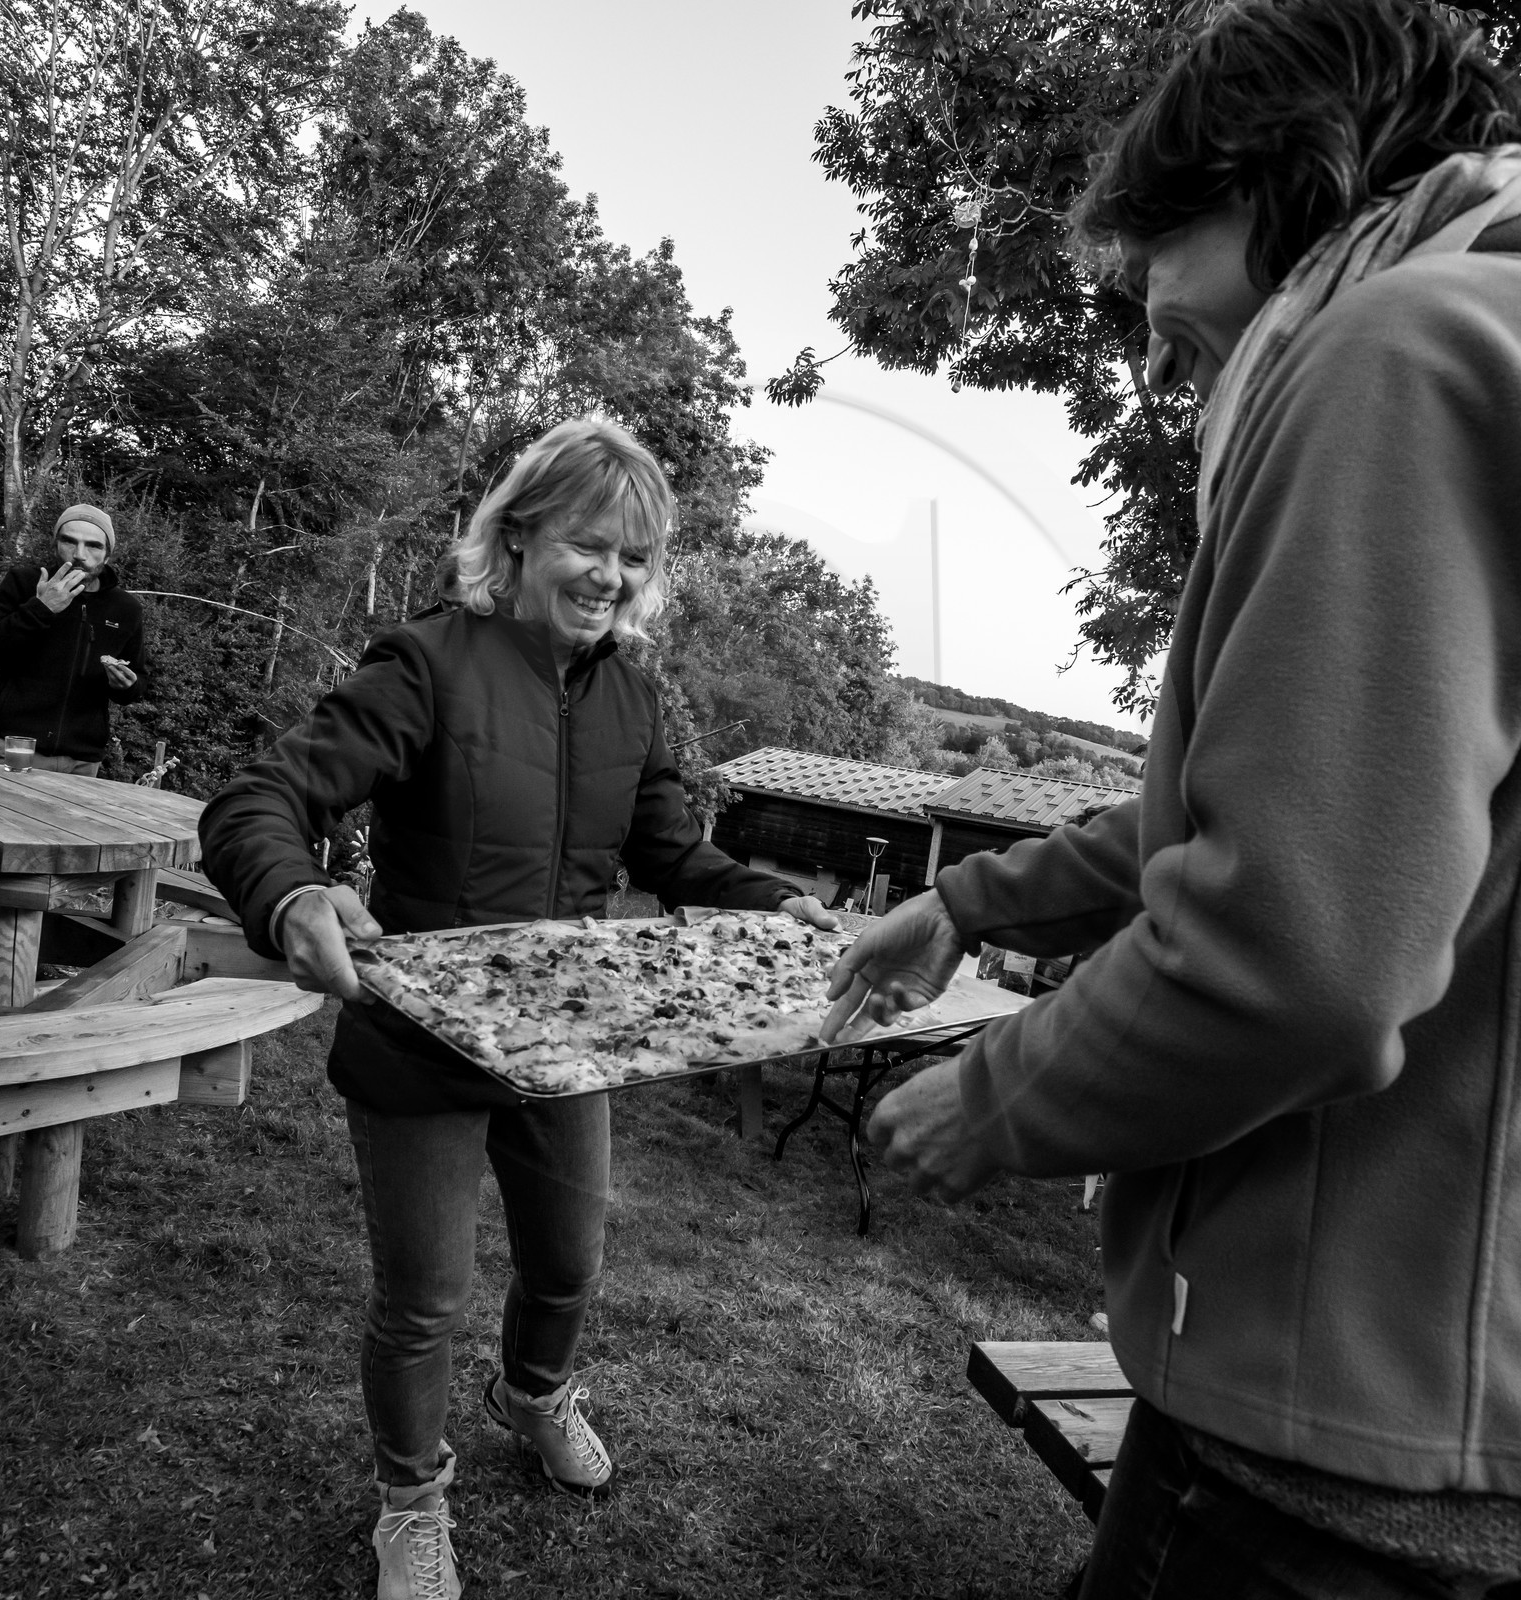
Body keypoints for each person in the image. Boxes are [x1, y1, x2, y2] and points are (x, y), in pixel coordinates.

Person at [822, 2, 1521, 1594]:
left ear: (1296, 177)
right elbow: (1303, 813)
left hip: (1330, 1432)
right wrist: (968, 899)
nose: (1145, 329)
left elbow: (1300, 957)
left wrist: (992, 1100)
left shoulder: (1393, 350)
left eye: (1164, 240)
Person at [199, 417, 832, 1600]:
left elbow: (671, 851)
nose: (611, 576)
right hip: (420, 1045)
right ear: (523, 534)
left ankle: (533, 1393)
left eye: (635, 559)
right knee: (423, 1299)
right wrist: (286, 891)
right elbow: (264, 795)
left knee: (569, 1265)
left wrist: (768, 903)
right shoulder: (429, 662)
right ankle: (412, 1499)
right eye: (590, 544)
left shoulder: (635, 698)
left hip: (564, 1046)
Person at [0, 503, 146, 775]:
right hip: (17, 747)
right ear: (55, 546)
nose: (79, 554)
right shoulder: (24, 584)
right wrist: (41, 608)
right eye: (69, 541)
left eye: (93, 546)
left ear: (107, 555)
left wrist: (126, 685)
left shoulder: (125, 608)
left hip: (83, 761)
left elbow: (138, 681)